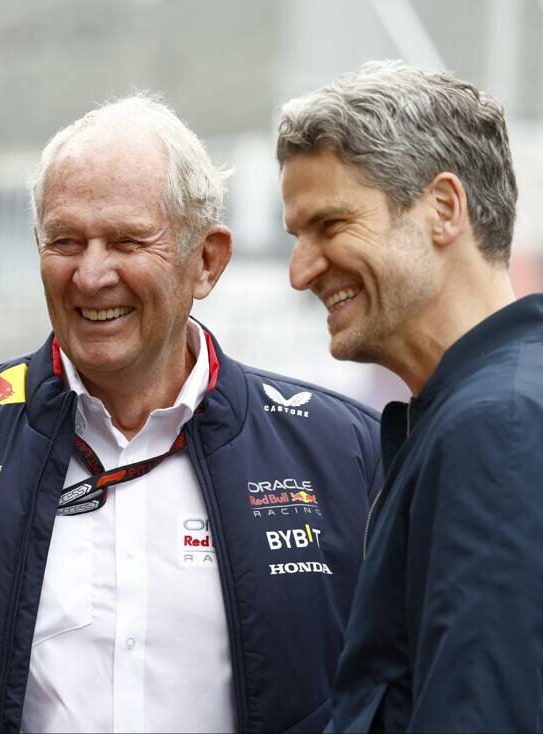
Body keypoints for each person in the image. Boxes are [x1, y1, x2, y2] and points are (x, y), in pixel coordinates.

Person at [0, 94, 381, 733]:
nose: (91, 275)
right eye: (66, 241)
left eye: (127, 241)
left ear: (206, 261)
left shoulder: (343, 451)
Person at [278, 59, 543, 732]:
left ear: (443, 208)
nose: (301, 271)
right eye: (297, 236)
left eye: (331, 226)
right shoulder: (491, 407)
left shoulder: (495, 427)